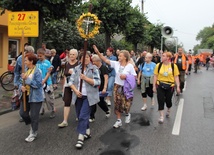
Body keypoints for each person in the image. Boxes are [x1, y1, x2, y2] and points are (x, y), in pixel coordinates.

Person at [93, 45, 137, 129]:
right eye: (118, 55)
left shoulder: (130, 66)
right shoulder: (116, 64)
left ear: (125, 57)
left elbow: (134, 77)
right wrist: (98, 52)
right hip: (117, 86)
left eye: (120, 56)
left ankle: (127, 113)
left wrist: (126, 76)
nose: (118, 57)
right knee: (117, 104)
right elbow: (105, 59)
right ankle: (118, 120)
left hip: (126, 87)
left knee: (126, 105)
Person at [69, 51, 100, 149]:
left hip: (89, 97)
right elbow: (70, 82)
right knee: (80, 115)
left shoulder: (93, 69)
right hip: (78, 96)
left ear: (89, 58)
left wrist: (86, 78)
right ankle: (87, 131)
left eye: (87, 57)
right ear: (80, 59)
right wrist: (75, 91)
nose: (85, 59)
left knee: (83, 116)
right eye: (83, 57)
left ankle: (80, 138)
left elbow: (97, 81)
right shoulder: (76, 69)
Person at [19, 53, 43, 142]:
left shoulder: (37, 71)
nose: (24, 62)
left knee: (34, 116)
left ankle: (33, 132)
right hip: (25, 95)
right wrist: (21, 87)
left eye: (26, 60)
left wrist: (27, 80)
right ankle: (32, 125)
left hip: (35, 97)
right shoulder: (25, 70)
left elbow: (38, 84)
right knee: (23, 114)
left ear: (31, 61)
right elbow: (21, 82)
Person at [153, 52, 180, 124]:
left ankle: (168, 109)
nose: (161, 57)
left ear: (168, 58)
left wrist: (178, 87)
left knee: (168, 101)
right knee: (160, 100)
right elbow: (155, 76)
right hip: (160, 85)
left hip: (170, 86)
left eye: (163, 56)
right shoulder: (158, 65)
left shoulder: (174, 66)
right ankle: (161, 116)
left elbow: (176, 77)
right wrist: (154, 86)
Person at [58, 49, 79, 128]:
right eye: (70, 54)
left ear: (76, 55)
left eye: (73, 54)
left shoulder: (79, 63)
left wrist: (73, 72)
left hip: (76, 85)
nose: (72, 56)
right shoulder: (67, 63)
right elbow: (64, 75)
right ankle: (65, 121)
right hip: (67, 85)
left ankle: (79, 116)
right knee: (67, 101)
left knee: (77, 101)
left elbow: (81, 74)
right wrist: (63, 87)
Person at [14, 45, 35, 122]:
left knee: (32, 99)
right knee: (23, 98)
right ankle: (24, 114)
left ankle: (33, 116)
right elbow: (16, 71)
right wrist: (16, 82)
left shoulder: (34, 58)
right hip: (22, 82)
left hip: (33, 83)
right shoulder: (20, 59)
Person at [90, 54, 111, 122]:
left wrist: (105, 88)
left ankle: (107, 110)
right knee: (93, 101)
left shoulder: (103, 68)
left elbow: (106, 78)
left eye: (94, 61)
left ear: (98, 61)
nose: (93, 63)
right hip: (94, 87)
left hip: (101, 87)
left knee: (100, 101)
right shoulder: (93, 68)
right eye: (92, 61)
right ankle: (92, 116)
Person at [36, 48, 55, 118]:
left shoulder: (47, 63)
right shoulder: (37, 63)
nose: (39, 57)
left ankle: (52, 110)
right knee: (41, 98)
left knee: (49, 98)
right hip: (40, 83)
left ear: (44, 55)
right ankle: (41, 109)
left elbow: (49, 72)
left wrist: (44, 81)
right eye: (38, 56)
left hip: (47, 83)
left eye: (40, 56)